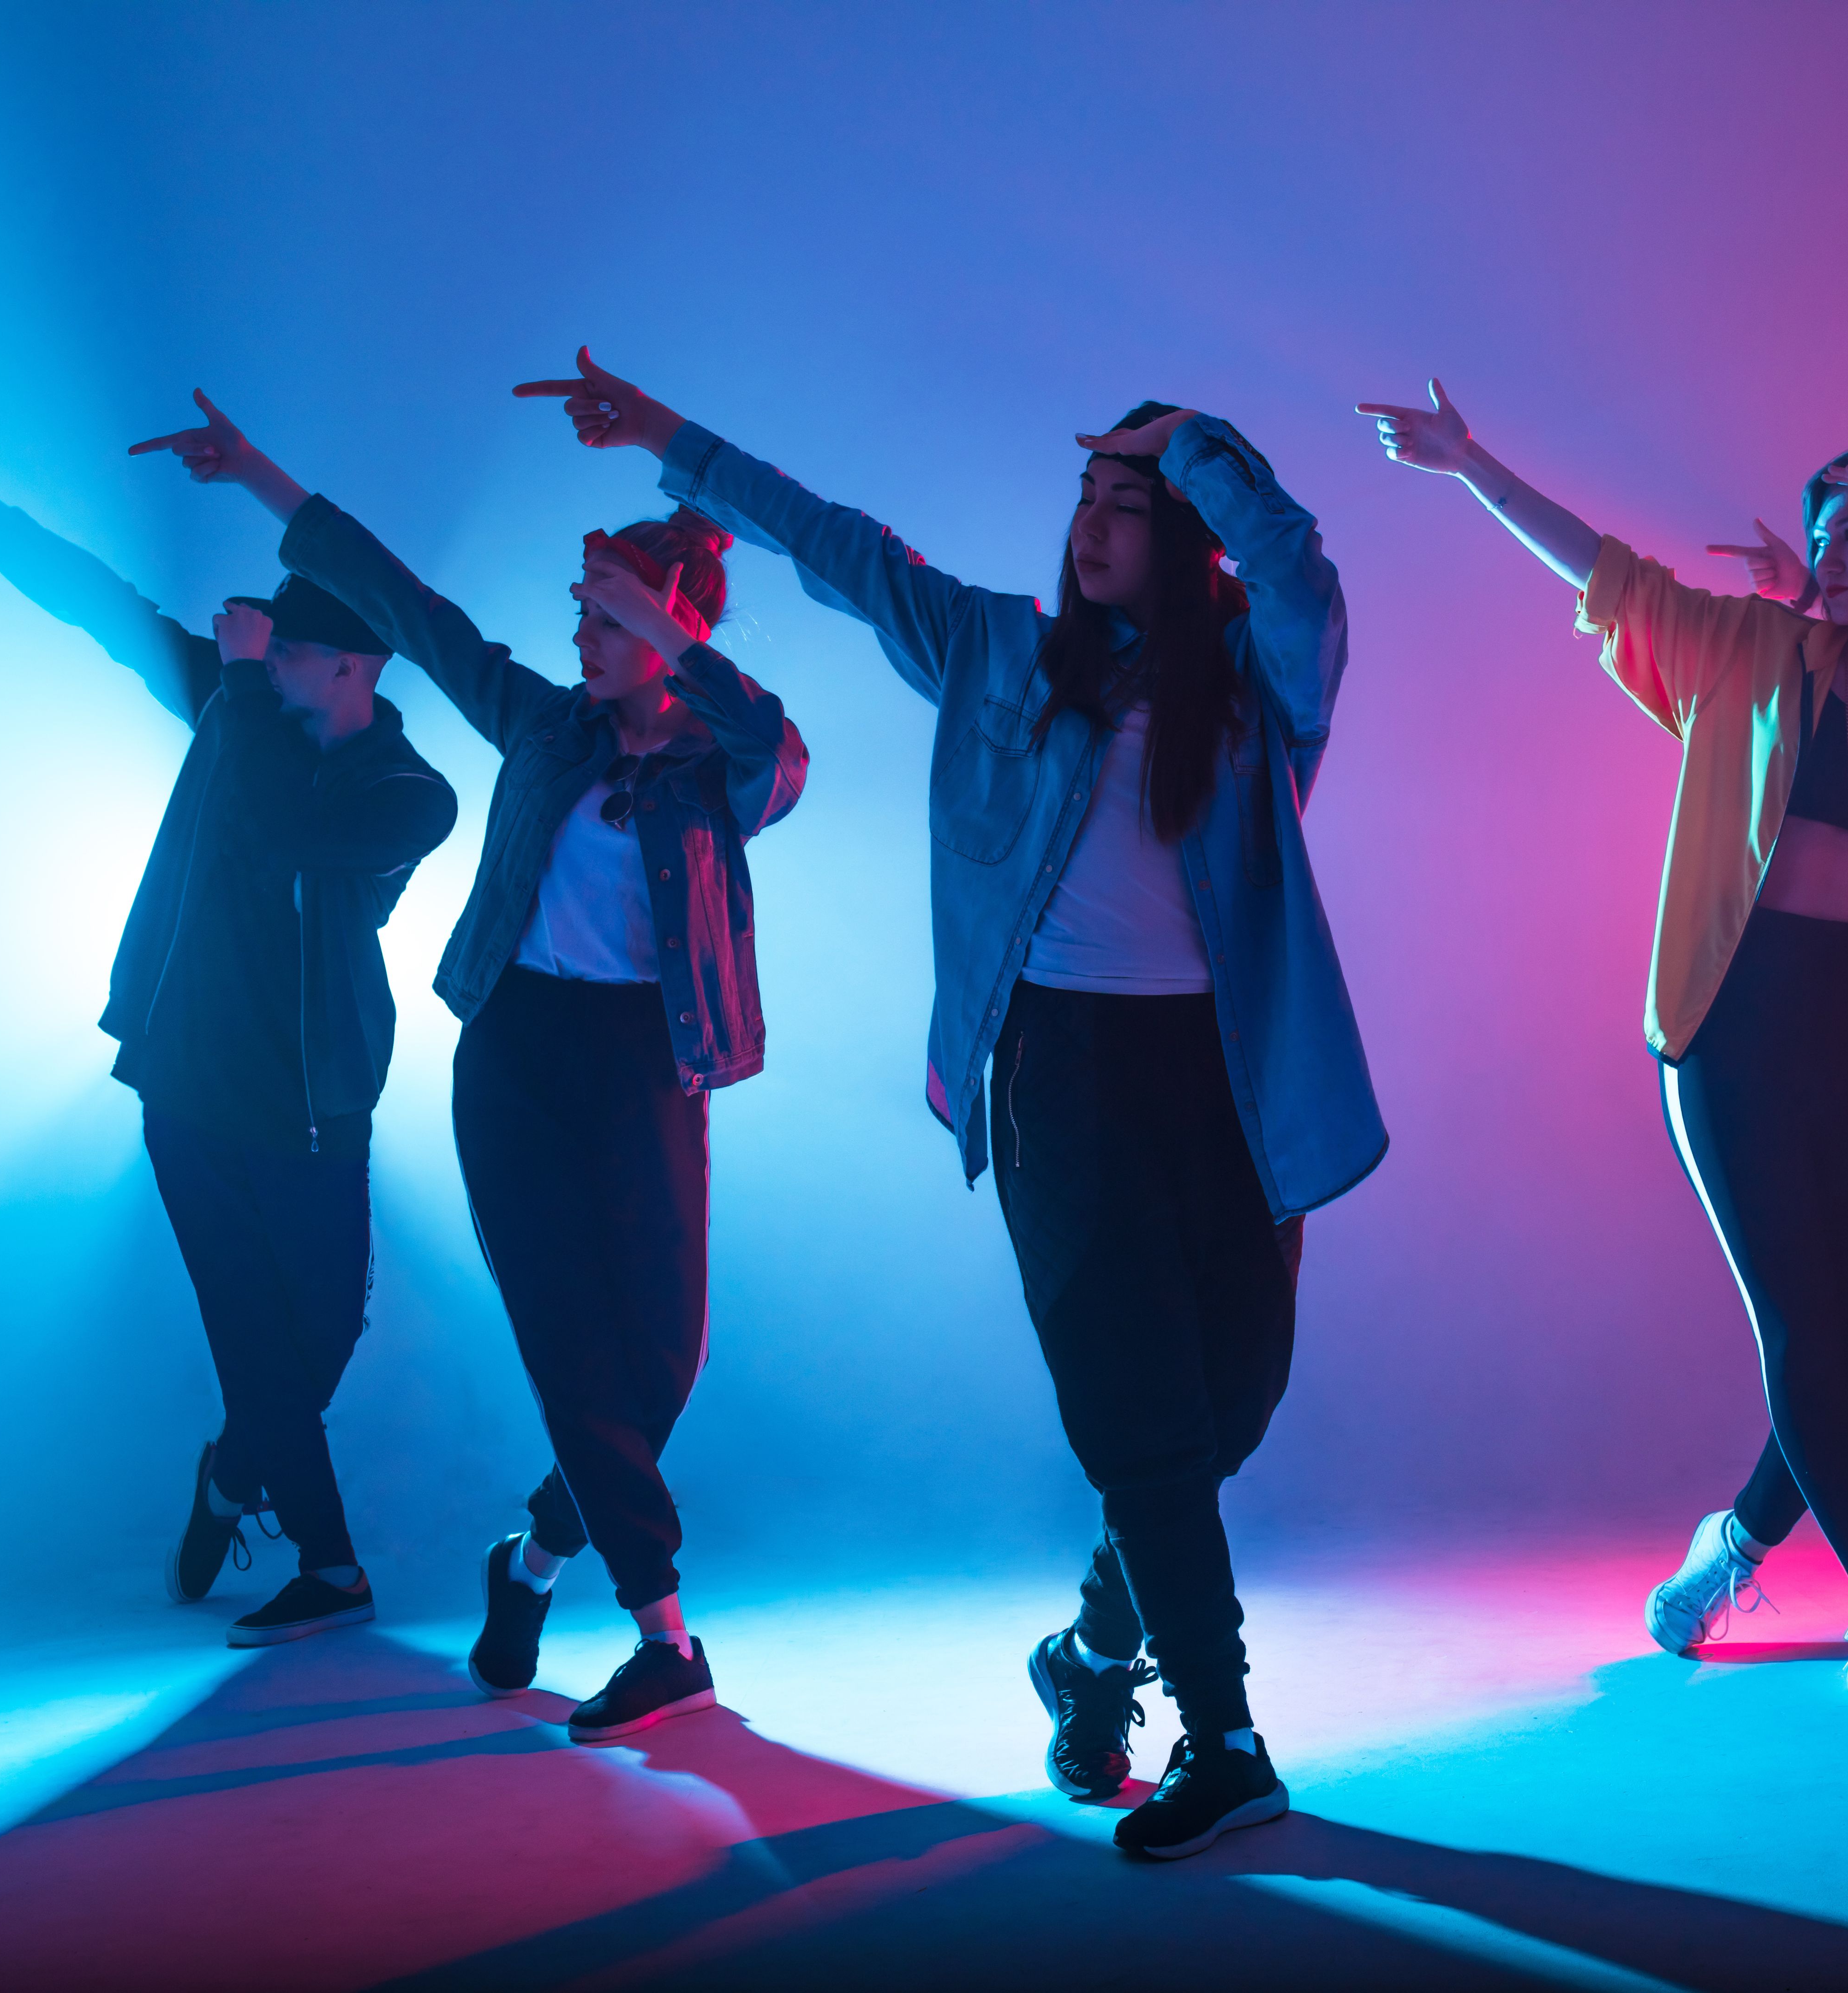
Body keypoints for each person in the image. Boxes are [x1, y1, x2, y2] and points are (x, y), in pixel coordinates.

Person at [512, 349, 1382, 1857]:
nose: (1092, 523)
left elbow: (1301, 573)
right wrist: (664, 434)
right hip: (1063, 1077)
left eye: (1129, 503)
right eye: (1086, 495)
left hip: (1230, 1079)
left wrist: (1192, 443)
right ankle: (1226, 1738)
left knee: (1228, 1407)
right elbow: (835, 543)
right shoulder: (998, 652)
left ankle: (1093, 1653)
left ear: (1186, 532)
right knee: (1143, 1423)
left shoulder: (1260, 681)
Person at [1356, 379, 1848, 1705]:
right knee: (1804, 1329)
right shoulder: (1759, 654)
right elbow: (1609, 578)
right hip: (1737, 1022)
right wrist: (1472, 464)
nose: (1825, 554)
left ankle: (1735, 1545)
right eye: (1818, 535)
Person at [126, 391, 807, 1741]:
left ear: (672, 631)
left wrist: (672, 631)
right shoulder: (547, 728)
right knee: (569, 1345)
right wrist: (259, 473)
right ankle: (665, 1637)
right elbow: (412, 606)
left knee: (662, 1363)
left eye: (607, 619)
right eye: (582, 613)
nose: (581, 638)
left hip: (646, 1063)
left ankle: (534, 1560)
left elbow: (779, 755)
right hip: (517, 1055)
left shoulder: (716, 771)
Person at [0, 427, 459, 1647]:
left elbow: (294, 834)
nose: (266, 661)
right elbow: (109, 612)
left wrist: (239, 688)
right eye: (265, 650)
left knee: (323, 1333)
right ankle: (332, 1567)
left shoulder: (410, 795)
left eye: (290, 651)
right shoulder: (241, 704)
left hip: (313, 1095)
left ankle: (235, 1475)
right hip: (188, 1075)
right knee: (248, 1325)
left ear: (354, 669)